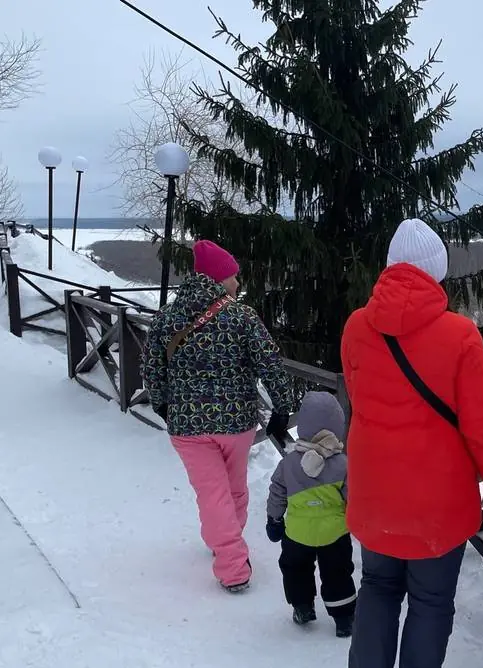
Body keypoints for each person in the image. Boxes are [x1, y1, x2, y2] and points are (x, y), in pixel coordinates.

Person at [340, 218, 483, 668]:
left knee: (377, 593)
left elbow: (359, 398)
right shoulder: (459, 335)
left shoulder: (356, 326)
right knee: (431, 605)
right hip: (437, 509)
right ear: (437, 271)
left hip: (375, 498)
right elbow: (482, 424)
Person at [142, 238, 296, 593]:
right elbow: (270, 364)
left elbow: (152, 369)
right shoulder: (242, 317)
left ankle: (224, 538)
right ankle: (233, 565)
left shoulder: (166, 318)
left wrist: (163, 405)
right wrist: (282, 406)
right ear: (217, 278)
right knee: (233, 488)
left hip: (187, 426)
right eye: (232, 276)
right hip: (236, 423)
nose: (237, 283)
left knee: (213, 493)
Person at [265, 390, 357, 638]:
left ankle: (302, 607)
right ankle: (344, 618)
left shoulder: (288, 464)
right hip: (335, 534)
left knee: (295, 568)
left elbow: (277, 492)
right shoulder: (343, 464)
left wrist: (274, 519)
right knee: (338, 572)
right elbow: (353, 496)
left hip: (297, 534)